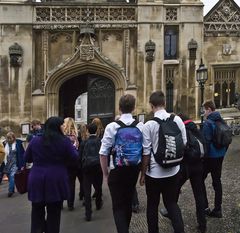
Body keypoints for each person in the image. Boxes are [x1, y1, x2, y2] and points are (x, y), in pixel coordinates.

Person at [140, 91, 186, 233]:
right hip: (173, 170)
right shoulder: (177, 119)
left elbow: (146, 152)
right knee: (172, 204)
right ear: (165, 103)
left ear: (151, 105)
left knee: (152, 206)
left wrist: (143, 174)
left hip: (154, 173)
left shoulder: (149, 125)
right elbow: (183, 143)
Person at [24, 116, 78, 233]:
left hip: (37, 178)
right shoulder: (64, 142)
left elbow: (27, 158)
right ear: (58, 127)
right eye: (62, 125)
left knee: (37, 212)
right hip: (56, 180)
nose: (64, 127)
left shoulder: (35, 140)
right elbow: (74, 158)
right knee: (54, 214)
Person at [100, 94, 144, 233]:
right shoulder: (141, 126)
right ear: (133, 108)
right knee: (128, 202)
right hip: (133, 169)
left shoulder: (112, 126)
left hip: (117, 169)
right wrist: (143, 173)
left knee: (118, 206)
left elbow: (103, 153)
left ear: (119, 108)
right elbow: (145, 151)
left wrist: (105, 174)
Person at [160, 113, 207, 233]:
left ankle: (171, 212)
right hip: (198, 165)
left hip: (186, 166)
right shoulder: (195, 128)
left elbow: (179, 147)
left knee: (173, 191)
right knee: (199, 195)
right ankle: (202, 224)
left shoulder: (182, 129)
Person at [202, 100, 228, 218]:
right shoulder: (221, 120)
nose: (203, 112)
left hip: (210, 157)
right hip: (220, 156)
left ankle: (204, 206)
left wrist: (203, 158)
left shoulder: (208, 123)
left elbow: (206, 142)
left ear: (209, 109)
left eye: (204, 110)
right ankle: (218, 209)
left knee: (199, 179)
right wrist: (222, 152)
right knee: (217, 182)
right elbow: (227, 139)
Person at [80, 123, 103, 221]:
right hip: (98, 166)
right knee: (98, 186)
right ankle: (98, 203)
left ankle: (88, 213)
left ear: (88, 131)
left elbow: (80, 155)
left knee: (87, 190)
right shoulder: (100, 141)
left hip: (87, 167)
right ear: (96, 130)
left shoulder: (84, 142)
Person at [63, 117, 79, 211]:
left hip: (64, 162)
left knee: (61, 181)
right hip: (73, 161)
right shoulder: (75, 134)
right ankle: (70, 204)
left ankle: (60, 202)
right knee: (71, 183)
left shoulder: (63, 135)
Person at [3, 131, 25, 197]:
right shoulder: (4, 144)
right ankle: (12, 189)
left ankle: (10, 191)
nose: (9, 140)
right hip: (7, 163)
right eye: (8, 138)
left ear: (13, 138)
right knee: (10, 177)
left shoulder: (18, 143)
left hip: (15, 163)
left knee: (12, 176)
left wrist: (23, 164)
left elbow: (22, 153)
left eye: (10, 138)